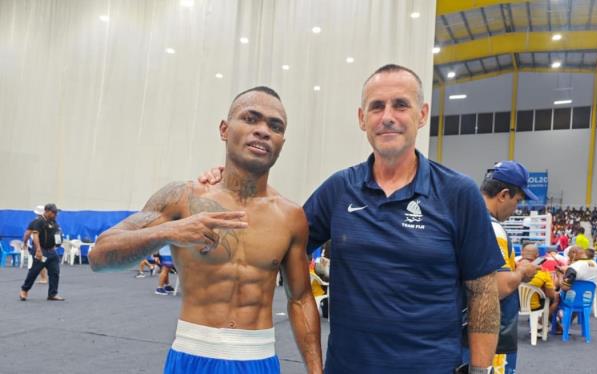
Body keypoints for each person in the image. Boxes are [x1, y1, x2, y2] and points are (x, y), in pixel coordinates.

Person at [199, 65, 503, 374]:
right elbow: (279, 236)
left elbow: (483, 291)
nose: (388, 116)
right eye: (376, 106)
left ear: (422, 114)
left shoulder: (457, 193)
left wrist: (480, 370)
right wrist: (233, 182)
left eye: (400, 105)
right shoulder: (339, 189)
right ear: (362, 119)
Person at [89, 86, 322, 374]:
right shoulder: (182, 198)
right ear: (224, 129)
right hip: (192, 356)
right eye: (251, 119)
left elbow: (299, 298)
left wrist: (316, 370)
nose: (263, 130)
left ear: (281, 142)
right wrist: (170, 231)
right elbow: (99, 256)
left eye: (275, 126)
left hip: (258, 359)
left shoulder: (290, 216)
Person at [479, 161, 539, 374]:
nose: (516, 209)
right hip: (492, 333)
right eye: (517, 200)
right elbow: (499, 287)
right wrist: (523, 272)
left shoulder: (467, 219)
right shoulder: (494, 229)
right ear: (503, 195)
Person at [19, 203, 65, 301]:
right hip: (41, 251)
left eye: (56, 213)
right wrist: (36, 249)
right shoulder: (38, 222)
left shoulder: (54, 223)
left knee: (55, 273)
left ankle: (52, 294)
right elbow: (33, 235)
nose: (56, 214)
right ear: (47, 211)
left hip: (52, 252)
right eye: (54, 212)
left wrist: (58, 241)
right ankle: (24, 290)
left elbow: (57, 234)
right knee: (34, 272)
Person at [520, 244, 558, 317]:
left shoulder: (513, 267)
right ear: (537, 255)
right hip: (534, 306)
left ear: (522, 253)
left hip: (514, 305)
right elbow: (550, 295)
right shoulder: (543, 271)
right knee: (555, 297)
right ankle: (542, 320)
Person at [22, 205, 49, 284]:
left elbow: (27, 234)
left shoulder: (34, 222)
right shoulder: (49, 221)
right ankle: (49, 274)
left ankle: (43, 278)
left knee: (39, 261)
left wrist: (25, 243)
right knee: (45, 260)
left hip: (38, 245)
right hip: (49, 245)